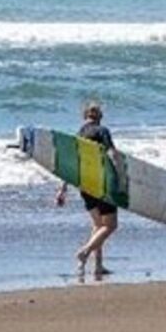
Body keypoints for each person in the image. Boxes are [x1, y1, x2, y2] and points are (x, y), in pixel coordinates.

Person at [55, 100, 119, 277]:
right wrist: (120, 177)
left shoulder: (78, 136)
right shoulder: (102, 131)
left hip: (84, 186)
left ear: (85, 116)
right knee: (111, 225)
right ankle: (85, 252)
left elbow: (70, 164)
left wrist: (62, 190)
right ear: (100, 116)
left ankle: (98, 266)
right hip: (102, 184)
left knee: (98, 225)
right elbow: (113, 154)